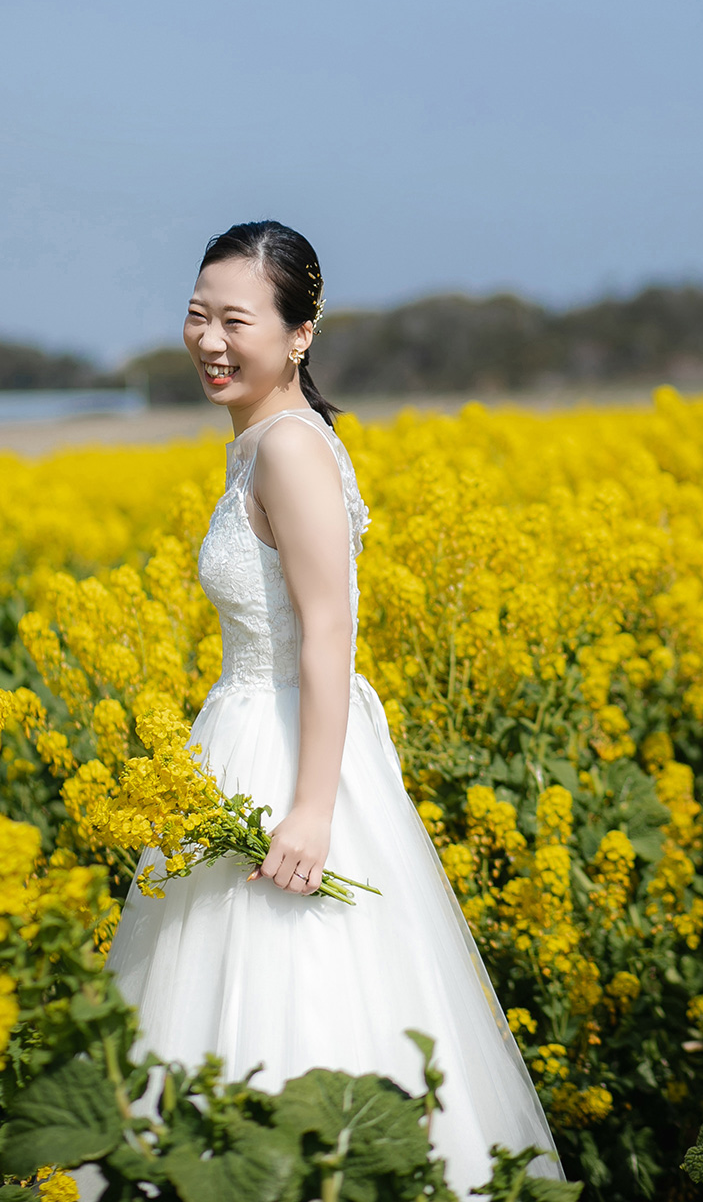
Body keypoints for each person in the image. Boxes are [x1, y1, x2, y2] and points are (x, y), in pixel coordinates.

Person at [107, 220, 562, 1193]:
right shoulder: (263, 441)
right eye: (197, 315)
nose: (209, 340)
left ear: (300, 333)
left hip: (290, 759)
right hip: (248, 737)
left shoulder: (290, 452)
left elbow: (327, 635)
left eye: (236, 319)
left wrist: (310, 810)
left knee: (295, 1008)